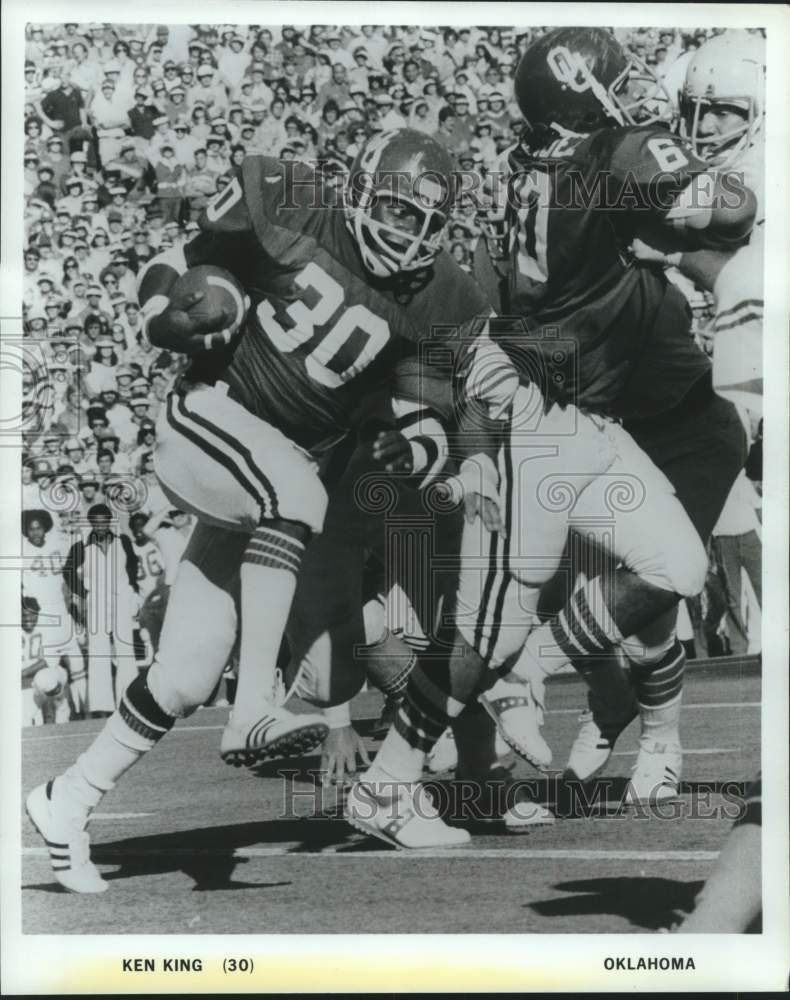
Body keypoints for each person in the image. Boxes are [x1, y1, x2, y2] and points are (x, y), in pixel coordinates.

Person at [26, 129, 517, 891]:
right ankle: (253, 707)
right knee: (297, 491)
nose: (405, 233)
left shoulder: (443, 296)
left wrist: (412, 452)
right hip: (211, 417)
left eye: (425, 223)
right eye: (394, 209)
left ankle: (68, 797)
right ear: (357, 189)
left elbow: (424, 414)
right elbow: (175, 264)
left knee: (185, 671)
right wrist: (166, 313)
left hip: (265, 479)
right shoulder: (293, 202)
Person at [344, 28, 754, 847]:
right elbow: (734, 215)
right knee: (486, 631)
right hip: (536, 414)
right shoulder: (614, 155)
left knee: (671, 562)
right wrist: (710, 204)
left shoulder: (542, 160)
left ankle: (529, 665)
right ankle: (387, 786)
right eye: (614, 80)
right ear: (582, 91)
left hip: (581, 410)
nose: (631, 91)